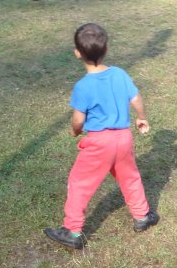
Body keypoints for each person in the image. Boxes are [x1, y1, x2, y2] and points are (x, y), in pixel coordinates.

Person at [44, 23, 158, 250]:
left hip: (99, 143)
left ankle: (72, 231)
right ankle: (142, 216)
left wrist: (75, 131)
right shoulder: (119, 74)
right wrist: (141, 117)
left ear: (77, 53)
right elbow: (136, 99)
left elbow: (78, 120)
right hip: (123, 138)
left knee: (79, 183)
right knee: (130, 178)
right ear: (106, 49)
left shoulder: (83, 86)